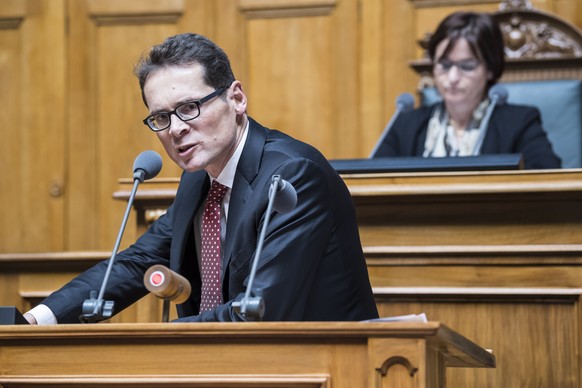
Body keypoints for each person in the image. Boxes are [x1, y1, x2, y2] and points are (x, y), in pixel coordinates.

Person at [24, 33, 379, 324]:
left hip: (323, 368)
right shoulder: (199, 181)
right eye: (161, 117)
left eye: (190, 108)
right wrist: (35, 321)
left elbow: (260, 309)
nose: (176, 129)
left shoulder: (294, 174)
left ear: (236, 99)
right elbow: (135, 264)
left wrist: (157, 343)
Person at [372, 12, 561, 170]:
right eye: (444, 65)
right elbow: (374, 182)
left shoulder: (519, 123)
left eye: (467, 66)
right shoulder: (406, 125)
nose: (453, 77)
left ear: (490, 69)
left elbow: (547, 183)